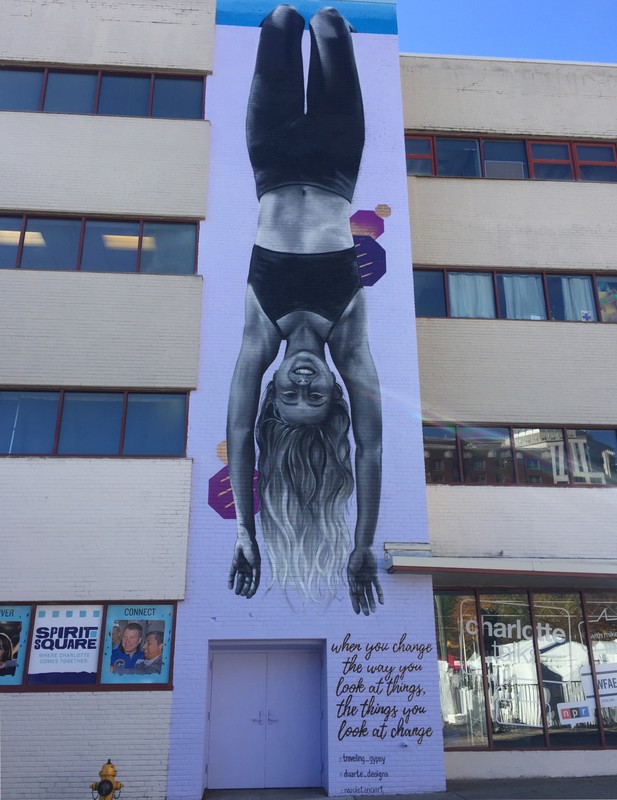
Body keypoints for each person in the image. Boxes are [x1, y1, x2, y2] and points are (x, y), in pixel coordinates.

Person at [227, 5, 383, 615]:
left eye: (289, 398)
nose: (300, 384)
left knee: (282, 22)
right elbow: (369, 450)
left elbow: (242, 436)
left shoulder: (257, 340)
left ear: (271, 395)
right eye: (315, 397)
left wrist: (245, 527)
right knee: (328, 24)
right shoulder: (350, 340)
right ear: (335, 392)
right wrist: (361, 544)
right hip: (338, 161)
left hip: (269, 156)